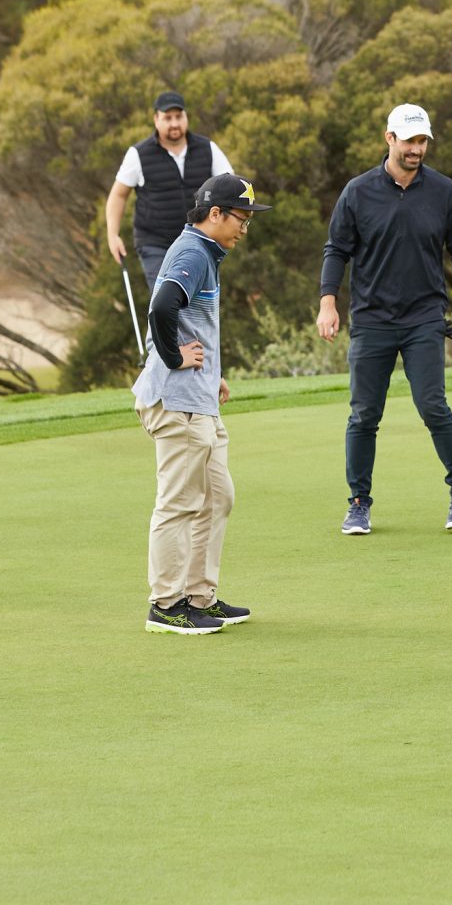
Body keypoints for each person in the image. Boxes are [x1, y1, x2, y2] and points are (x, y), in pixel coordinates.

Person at [317, 103, 452, 535]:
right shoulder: (358, 192)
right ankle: (358, 503)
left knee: (432, 405)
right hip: (372, 318)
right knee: (364, 414)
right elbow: (336, 249)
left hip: (424, 317)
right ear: (389, 138)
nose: (417, 149)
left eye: (422, 141)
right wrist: (327, 301)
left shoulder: (443, 191)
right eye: (410, 140)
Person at [134, 173, 271, 634]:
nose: (244, 229)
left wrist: (212, 374)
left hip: (198, 398)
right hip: (178, 403)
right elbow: (161, 308)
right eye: (241, 219)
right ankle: (165, 605)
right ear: (215, 214)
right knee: (179, 503)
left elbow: (188, 320)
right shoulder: (193, 252)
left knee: (217, 497)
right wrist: (175, 357)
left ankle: (199, 597)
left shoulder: (204, 253)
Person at [106, 90, 236, 286]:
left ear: (186, 117)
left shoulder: (208, 148)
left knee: (198, 298)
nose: (174, 123)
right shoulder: (139, 154)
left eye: (179, 116)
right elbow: (118, 195)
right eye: (168, 118)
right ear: (156, 119)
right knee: (167, 295)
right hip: (155, 244)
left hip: (199, 241)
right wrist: (112, 235)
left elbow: (230, 186)